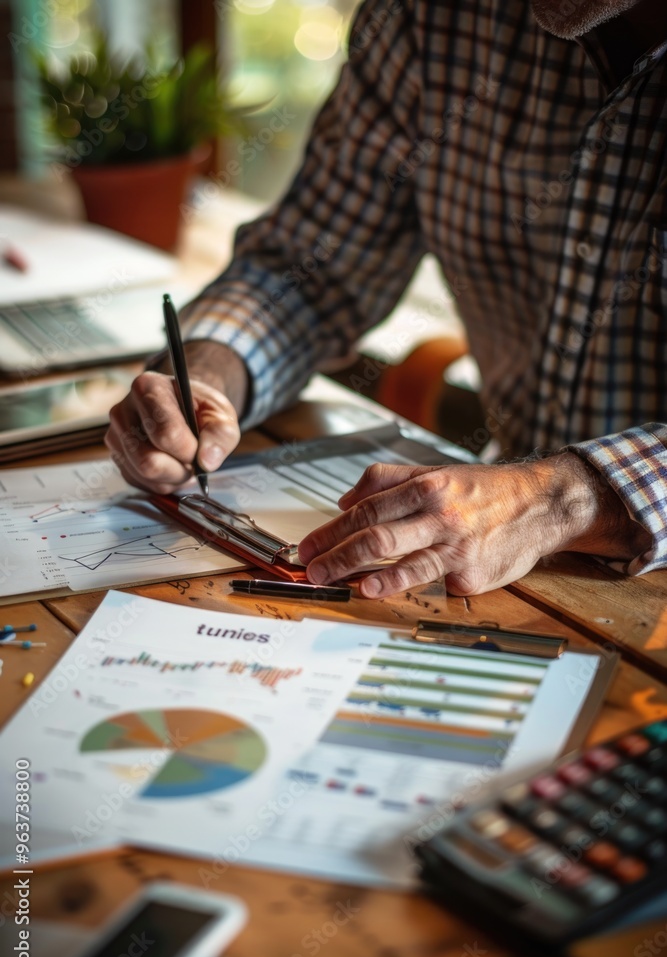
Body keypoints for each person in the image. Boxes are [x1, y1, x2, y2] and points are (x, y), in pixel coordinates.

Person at [106, 0, 667, 598]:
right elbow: (310, 271)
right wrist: (210, 373)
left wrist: (563, 498)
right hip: (491, 572)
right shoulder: (428, 16)